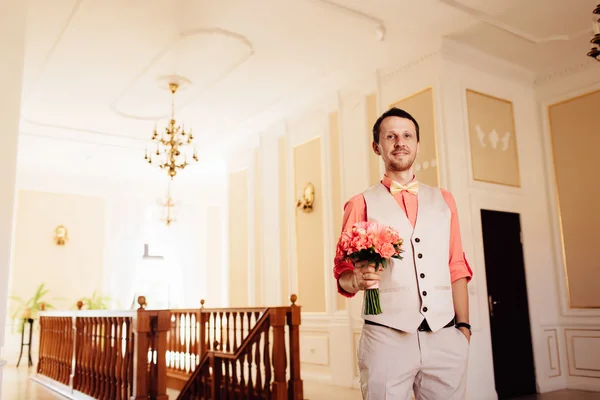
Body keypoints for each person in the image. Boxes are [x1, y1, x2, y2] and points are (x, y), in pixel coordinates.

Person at [334, 107, 473, 399]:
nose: (400, 142)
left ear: (418, 144)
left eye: (407, 135)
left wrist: (463, 328)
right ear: (377, 146)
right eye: (391, 136)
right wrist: (357, 279)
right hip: (386, 338)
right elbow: (342, 274)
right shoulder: (360, 203)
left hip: (445, 336)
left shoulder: (444, 199)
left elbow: (456, 265)